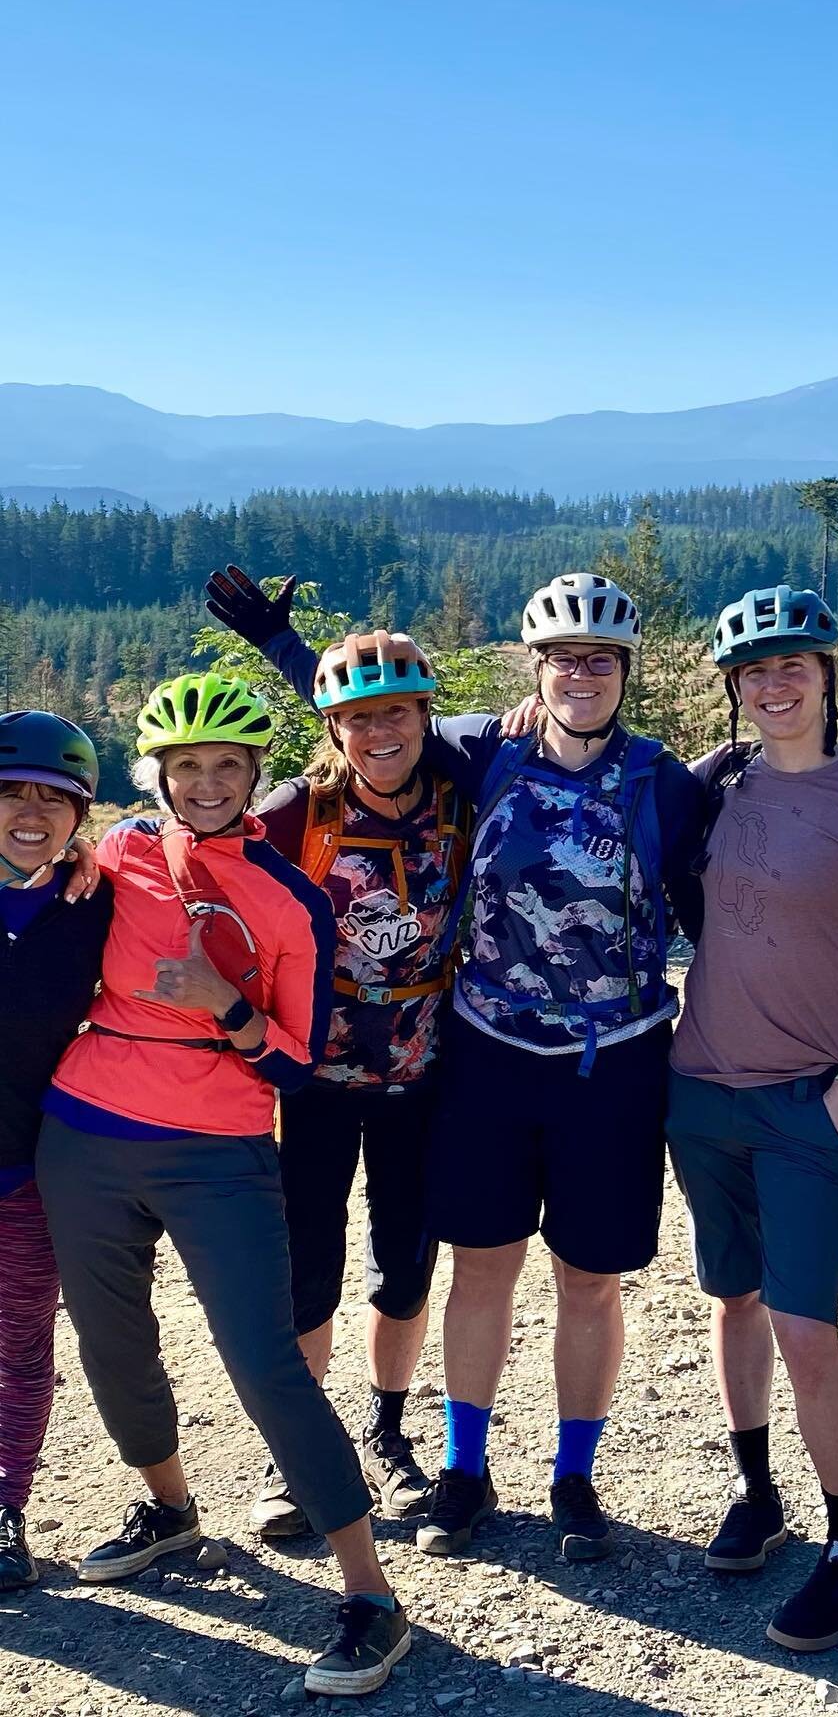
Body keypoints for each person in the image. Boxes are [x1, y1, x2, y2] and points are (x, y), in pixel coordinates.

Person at [205, 568, 705, 1563]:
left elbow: (731, 900)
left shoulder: (662, 780)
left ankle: (566, 1473)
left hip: (595, 1062)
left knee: (568, 1276)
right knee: (443, 1267)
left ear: (625, 669)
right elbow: (366, 712)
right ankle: (446, 1469)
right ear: (536, 664)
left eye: (600, 657)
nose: (582, 672)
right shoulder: (488, 749)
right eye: (564, 656)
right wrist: (281, 644)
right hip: (461, 1059)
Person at [35, 673, 409, 1698]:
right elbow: (50, 876)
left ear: (254, 777)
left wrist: (227, 1005)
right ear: (156, 775)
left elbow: (296, 1062)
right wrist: (68, 853)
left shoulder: (290, 897)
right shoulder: (112, 853)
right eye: (186, 766)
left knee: (266, 1363)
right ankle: (168, 1509)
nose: (205, 783)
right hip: (84, 1130)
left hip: (219, 1148)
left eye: (227, 767)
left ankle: (372, 1592)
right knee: (110, 1341)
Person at [666, 584, 838, 1652]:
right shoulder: (715, 786)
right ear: (734, 690)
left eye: (795, 668)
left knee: (806, 1324)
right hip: (701, 1089)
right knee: (732, 1300)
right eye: (754, 673)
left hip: (809, 1102)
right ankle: (757, 1490)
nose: (775, 686)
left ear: (829, 675)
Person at [211, 613, 464, 1541]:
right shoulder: (294, 815)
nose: (380, 733)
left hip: (423, 1080)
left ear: (425, 717)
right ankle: (305, 1455)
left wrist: (288, 647)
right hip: (312, 1086)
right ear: (331, 731)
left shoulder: (456, 795)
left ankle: (389, 1436)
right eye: (359, 720)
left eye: (399, 713)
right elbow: (197, 849)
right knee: (308, 1273)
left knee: (405, 1268)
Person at [0, 712, 113, 1591]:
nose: (30, 812)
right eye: (9, 792)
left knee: (17, 1347)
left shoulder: (98, 902)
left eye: (53, 796)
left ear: (82, 814)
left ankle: (4, 1512)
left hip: (27, 1173)